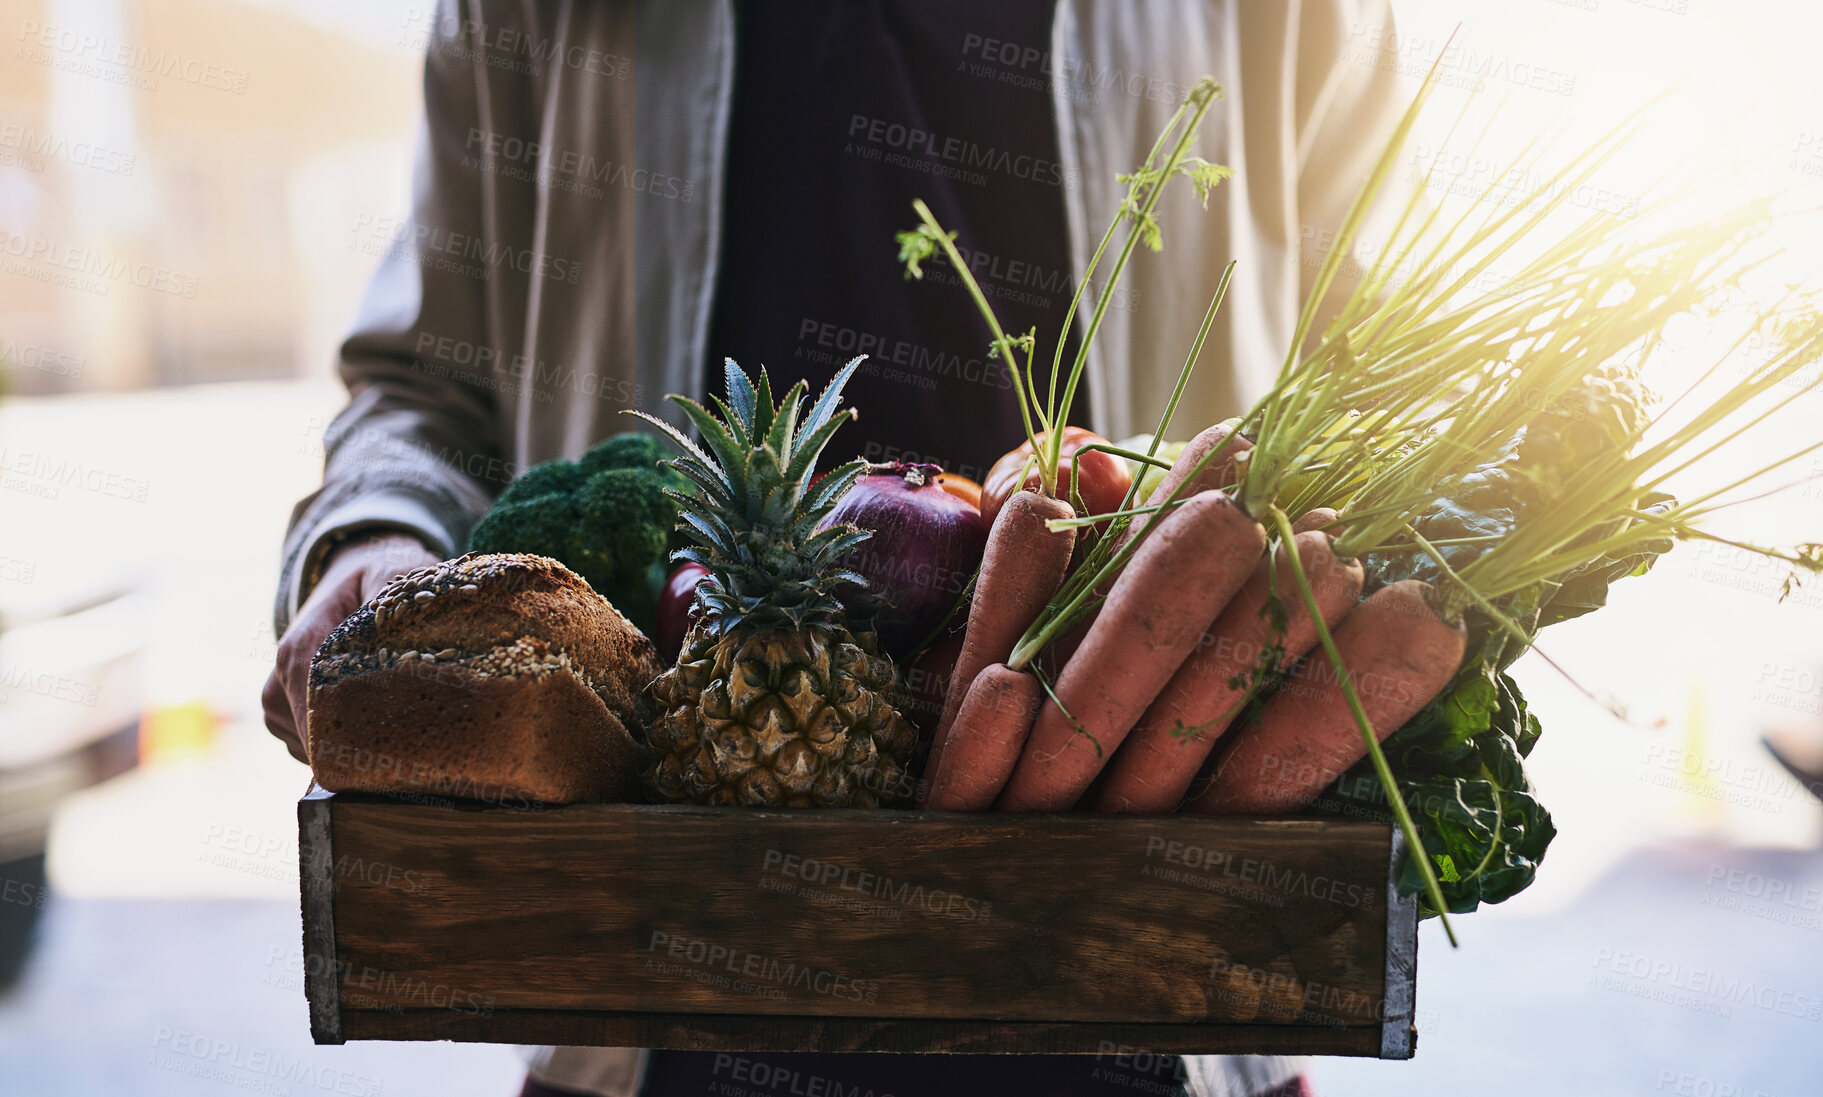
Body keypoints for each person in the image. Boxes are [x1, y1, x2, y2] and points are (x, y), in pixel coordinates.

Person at [264, 2, 1410, 1095]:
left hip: (1172, 981)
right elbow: (424, 381)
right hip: (643, 994)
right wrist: (375, 535)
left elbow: (1382, 378)